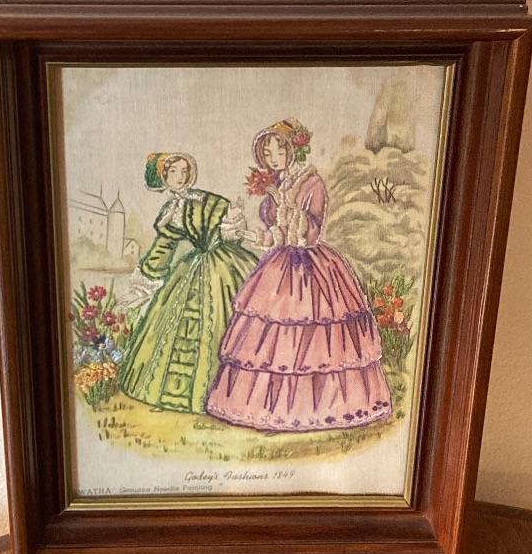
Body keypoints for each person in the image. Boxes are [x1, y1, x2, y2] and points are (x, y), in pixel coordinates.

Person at [206, 118, 392, 432]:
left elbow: (309, 235)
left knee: (313, 339)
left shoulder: (312, 183)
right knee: (270, 339)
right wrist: (243, 234)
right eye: (268, 153)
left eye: (279, 150)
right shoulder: (276, 187)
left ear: (294, 150)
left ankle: (318, 409)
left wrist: (286, 207)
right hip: (278, 267)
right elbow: (275, 237)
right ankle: (271, 410)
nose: (273, 158)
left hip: (312, 271)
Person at [119, 152, 257, 414]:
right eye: (173, 172)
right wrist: (144, 284)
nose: (180, 177)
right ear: (163, 178)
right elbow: (163, 248)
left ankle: (228, 397)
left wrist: (229, 228)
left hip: (225, 265)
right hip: (193, 268)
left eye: (184, 171)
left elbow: (231, 229)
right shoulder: (170, 211)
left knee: (226, 324)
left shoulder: (207, 200)